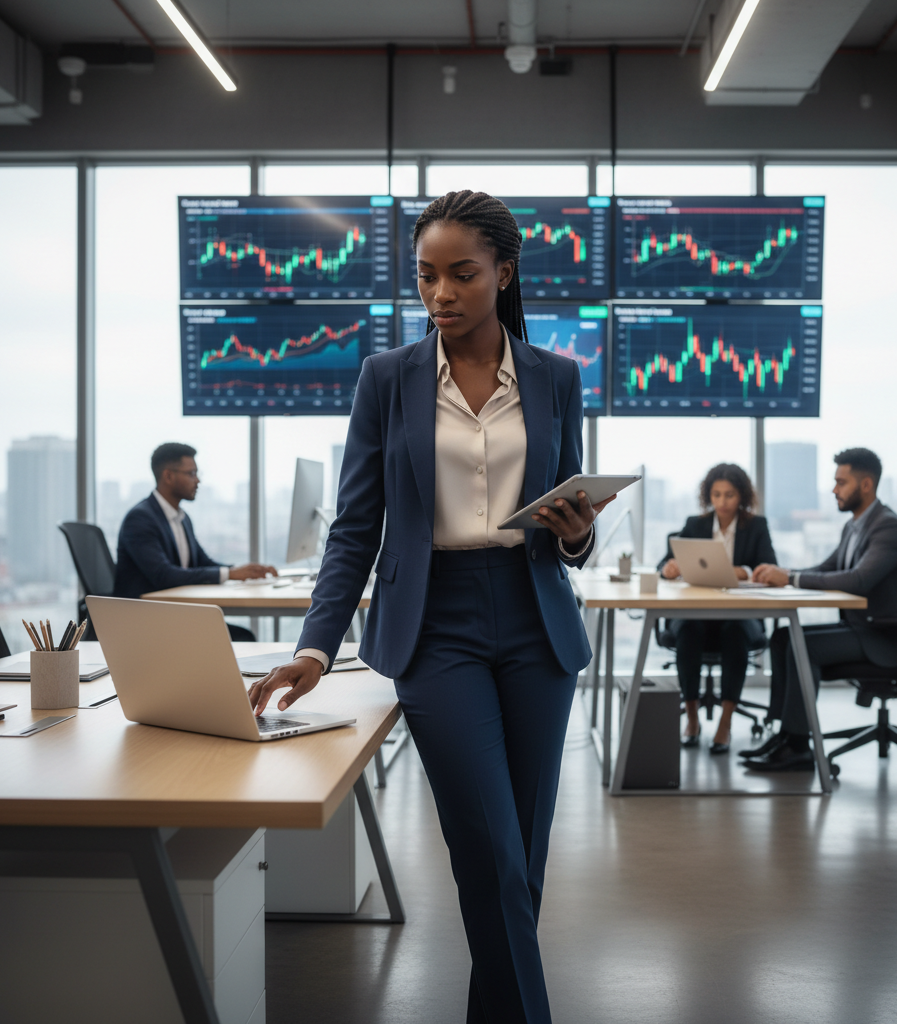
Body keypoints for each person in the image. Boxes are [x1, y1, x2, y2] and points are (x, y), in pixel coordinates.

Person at [247, 191, 615, 1024]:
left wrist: (576, 533)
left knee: (519, 858)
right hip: (435, 625)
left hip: (535, 620)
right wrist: (315, 645)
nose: (440, 293)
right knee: (487, 844)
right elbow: (355, 527)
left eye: (462, 274)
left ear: (503, 274)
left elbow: (574, 530)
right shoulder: (388, 379)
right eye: (425, 276)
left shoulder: (557, 378)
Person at [745, 447, 897, 772]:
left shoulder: (888, 528)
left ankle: (798, 747)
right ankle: (784, 734)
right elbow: (826, 568)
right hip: (862, 628)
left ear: (866, 485)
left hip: (887, 637)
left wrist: (792, 578)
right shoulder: (855, 526)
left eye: (841, 482)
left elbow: (858, 580)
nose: (834, 489)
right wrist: (781, 575)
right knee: (784, 638)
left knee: (804, 647)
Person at [658, 463, 776, 753]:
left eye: (730, 495)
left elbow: (769, 567)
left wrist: (744, 571)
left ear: (742, 497)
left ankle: (725, 722)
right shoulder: (695, 525)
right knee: (687, 628)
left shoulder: (756, 526)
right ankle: (693, 718)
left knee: (734, 631)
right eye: (716, 494)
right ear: (708, 495)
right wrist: (669, 569)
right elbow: (662, 565)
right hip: (696, 616)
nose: (722, 502)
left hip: (740, 617)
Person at [114, 442, 277, 641]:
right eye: (191, 474)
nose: (197, 480)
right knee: (243, 637)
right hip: (147, 622)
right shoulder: (140, 519)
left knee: (243, 636)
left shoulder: (182, 518)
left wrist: (242, 572)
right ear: (168, 476)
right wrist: (231, 573)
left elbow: (202, 562)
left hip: (173, 614)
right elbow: (163, 575)